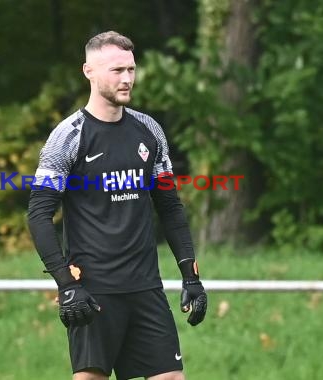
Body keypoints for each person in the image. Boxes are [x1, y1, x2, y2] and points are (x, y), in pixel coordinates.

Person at [27, 31, 207, 380]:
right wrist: (66, 284)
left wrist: (191, 276)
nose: (126, 79)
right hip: (94, 292)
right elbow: (38, 214)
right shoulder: (68, 136)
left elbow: (170, 207)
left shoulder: (149, 130)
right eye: (116, 70)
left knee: (171, 376)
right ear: (88, 72)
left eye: (131, 69)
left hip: (146, 288)